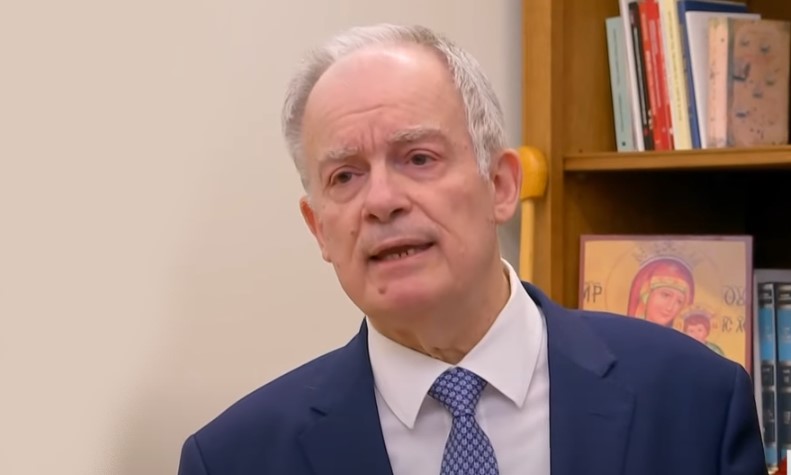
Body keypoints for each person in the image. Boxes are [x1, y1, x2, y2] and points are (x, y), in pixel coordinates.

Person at [177, 23, 766, 475]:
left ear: (501, 186)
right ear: (318, 230)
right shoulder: (235, 459)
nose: (381, 201)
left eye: (418, 158)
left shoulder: (695, 400)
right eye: (345, 176)